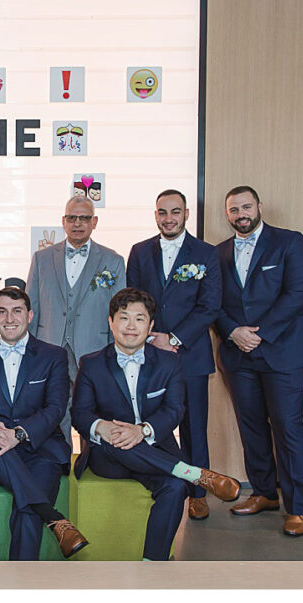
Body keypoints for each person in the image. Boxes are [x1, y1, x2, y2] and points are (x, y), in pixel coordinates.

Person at [71, 288, 241, 561]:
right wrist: (102, 427)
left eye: (139, 319)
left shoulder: (169, 362)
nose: (130, 326)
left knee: (174, 488)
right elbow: (80, 413)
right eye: (123, 318)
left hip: (154, 450)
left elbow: (175, 409)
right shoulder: (91, 364)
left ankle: (153, 563)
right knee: (117, 436)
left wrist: (142, 431)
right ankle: (193, 473)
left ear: (151, 326)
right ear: (110, 322)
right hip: (110, 457)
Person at [0, 286, 89, 560]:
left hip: (40, 450)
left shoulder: (53, 356)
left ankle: (20, 585)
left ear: (29, 316)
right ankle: (54, 519)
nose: (9, 318)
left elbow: (55, 409)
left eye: (16, 311)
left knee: (27, 510)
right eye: (2, 311)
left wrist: (18, 434)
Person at [214, 186, 303, 537]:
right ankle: (263, 493)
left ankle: (297, 507)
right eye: (233, 209)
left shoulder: (289, 242)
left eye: (246, 206)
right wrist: (232, 332)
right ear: (227, 214)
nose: (241, 213)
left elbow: (297, 294)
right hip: (237, 354)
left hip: (282, 351)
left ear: (259, 206)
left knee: (288, 428)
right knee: (251, 426)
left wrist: (259, 333)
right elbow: (214, 303)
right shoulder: (219, 253)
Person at [126, 189, 221, 520]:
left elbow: (210, 306)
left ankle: (197, 492)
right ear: (155, 215)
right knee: (152, 424)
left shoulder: (206, 254)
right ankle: (159, 483)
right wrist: (152, 337)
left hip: (191, 355)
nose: (169, 218)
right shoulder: (139, 251)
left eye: (175, 212)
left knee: (195, 427)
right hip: (149, 353)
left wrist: (176, 338)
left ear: (185, 215)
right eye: (163, 212)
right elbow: (133, 300)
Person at [27, 195, 126, 444]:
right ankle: (57, 465)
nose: (77, 223)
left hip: (95, 349)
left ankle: (91, 465)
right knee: (53, 409)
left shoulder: (113, 261)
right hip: (50, 347)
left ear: (94, 222)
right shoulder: (42, 258)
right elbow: (32, 308)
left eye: (84, 218)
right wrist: (32, 349)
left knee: (92, 412)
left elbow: (119, 313)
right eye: (72, 218)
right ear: (63, 221)